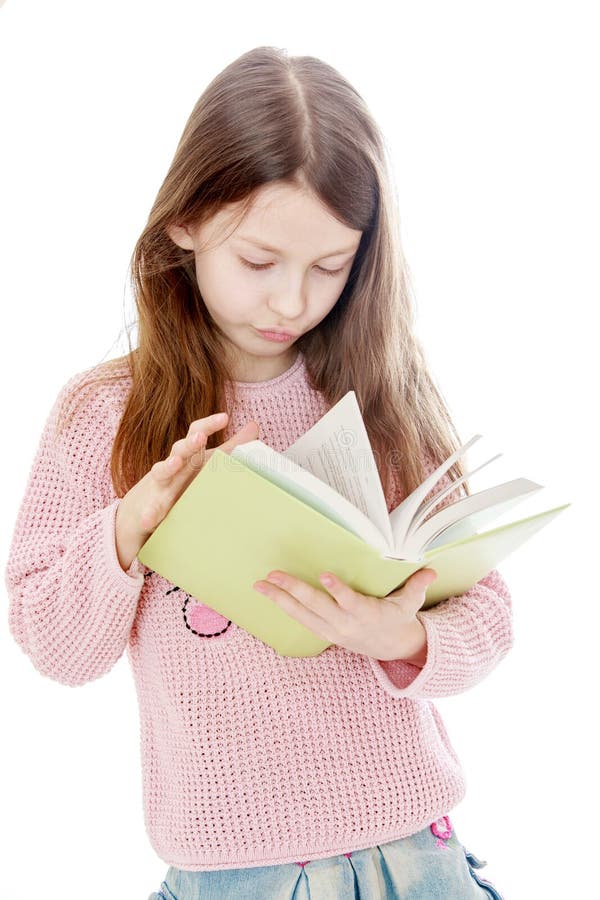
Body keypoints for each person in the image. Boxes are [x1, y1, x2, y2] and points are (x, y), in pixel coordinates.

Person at [5, 46, 511, 900]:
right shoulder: (103, 413)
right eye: (258, 262)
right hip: (235, 874)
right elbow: (51, 645)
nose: (290, 302)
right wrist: (130, 527)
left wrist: (407, 639)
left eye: (329, 267)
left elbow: (490, 613)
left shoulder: (382, 395)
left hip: (414, 856)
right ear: (184, 223)